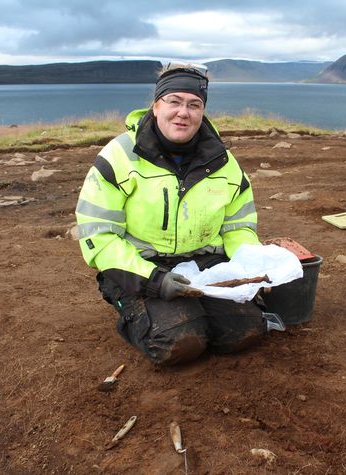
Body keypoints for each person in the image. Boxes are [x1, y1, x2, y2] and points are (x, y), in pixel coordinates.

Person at [75, 63, 276, 366]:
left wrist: (251, 266)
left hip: (204, 265)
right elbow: (99, 236)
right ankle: (133, 310)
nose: (184, 112)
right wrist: (155, 281)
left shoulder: (222, 161)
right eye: (174, 101)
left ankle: (195, 315)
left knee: (245, 331)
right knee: (180, 343)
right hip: (141, 269)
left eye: (194, 105)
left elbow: (238, 227)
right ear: (156, 106)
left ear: (203, 111)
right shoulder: (118, 156)